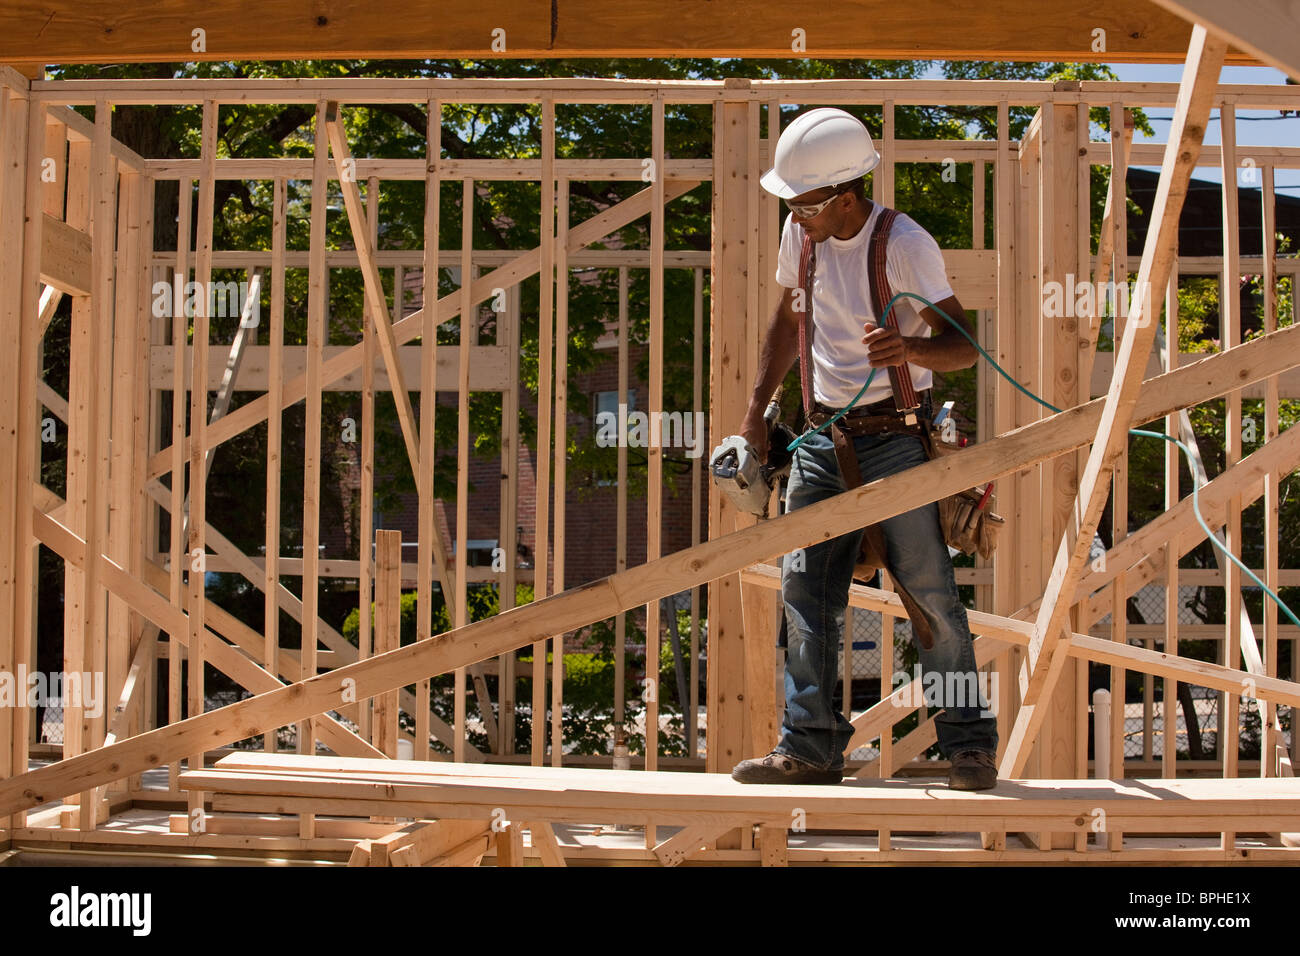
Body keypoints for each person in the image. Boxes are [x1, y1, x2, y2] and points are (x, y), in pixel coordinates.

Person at [728, 107, 998, 791]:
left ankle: (968, 748)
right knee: (805, 592)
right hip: (823, 440)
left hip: (896, 437)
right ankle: (811, 749)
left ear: (846, 195)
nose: (797, 217)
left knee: (930, 595)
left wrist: (909, 347)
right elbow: (791, 320)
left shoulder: (903, 243)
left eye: (808, 205)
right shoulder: (804, 235)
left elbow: (964, 345)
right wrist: (758, 412)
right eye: (792, 204)